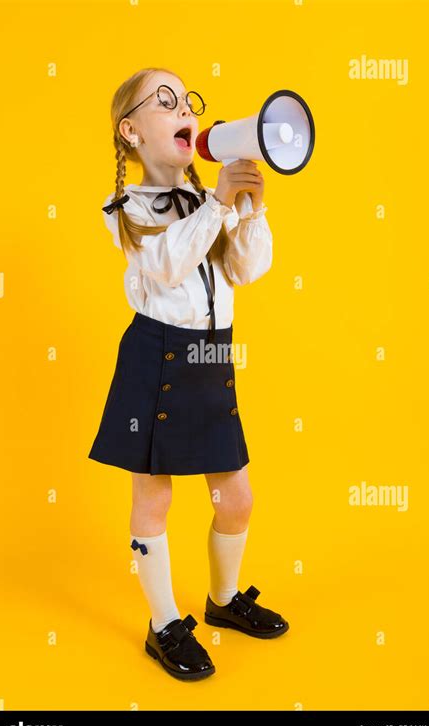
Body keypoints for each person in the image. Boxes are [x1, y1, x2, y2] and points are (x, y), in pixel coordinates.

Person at [88, 66, 289, 681]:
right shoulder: (123, 208)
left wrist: (247, 208)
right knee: (155, 495)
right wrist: (220, 203)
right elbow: (170, 264)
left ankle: (222, 602)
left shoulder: (211, 202)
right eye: (166, 101)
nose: (185, 111)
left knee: (237, 496)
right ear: (132, 131)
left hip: (211, 356)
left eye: (189, 103)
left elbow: (248, 270)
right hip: (156, 355)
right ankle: (163, 623)